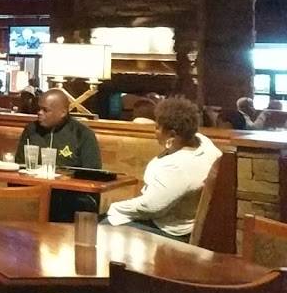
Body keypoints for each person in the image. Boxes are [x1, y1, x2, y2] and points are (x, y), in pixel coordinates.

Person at [103, 97, 222, 240]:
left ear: (172, 134)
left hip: (172, 231)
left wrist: (115, 208)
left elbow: (152, 207)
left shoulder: (177, 166)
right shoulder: (204, 144)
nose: (155, 132)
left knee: (102, 226)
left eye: (157, 128)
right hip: (184, 222)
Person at [15, 89, 102, 221]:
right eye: (39, 109)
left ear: (63, 112)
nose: (39, 113)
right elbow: (19, 164)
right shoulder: (31, 130)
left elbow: (92, 173)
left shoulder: (82, 134)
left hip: (69, 198)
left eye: (45, 110)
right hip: (32, 193)